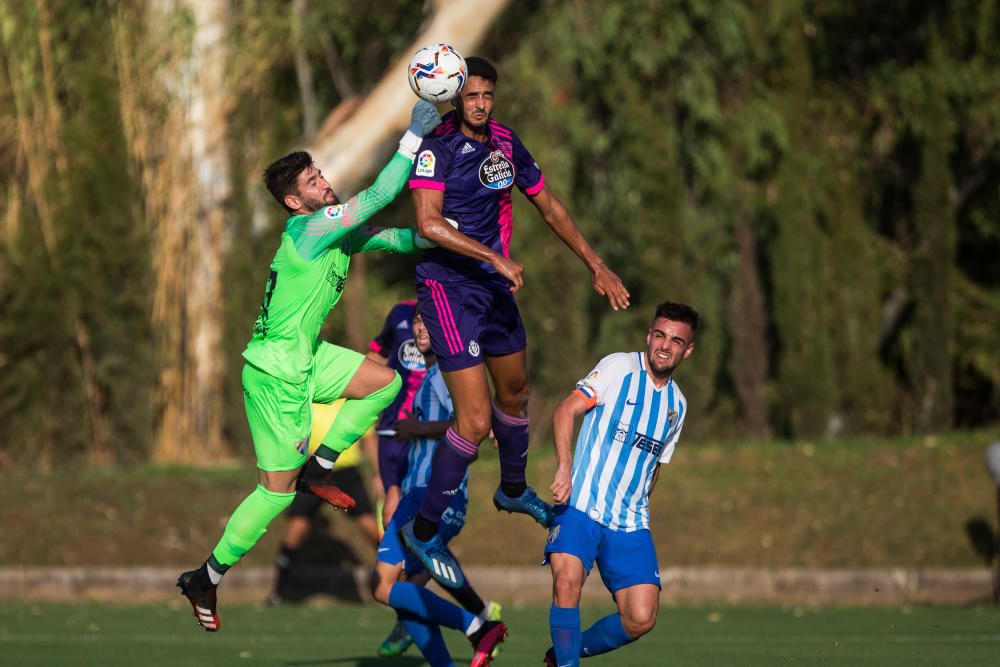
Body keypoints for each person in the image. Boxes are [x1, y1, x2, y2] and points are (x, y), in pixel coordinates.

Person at [176, 100, 442, 632]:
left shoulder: (333, 234)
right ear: (295, 202)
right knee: (274, 493)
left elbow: (395, 237)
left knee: (383, 381)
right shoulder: (310, 231)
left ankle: (319, 467)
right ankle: (205, 576)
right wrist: (412, 135)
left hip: (306, 359)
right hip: (276, 372)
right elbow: (381, 196)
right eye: (312, 179)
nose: (324, 181)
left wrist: (447, 234)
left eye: (320, 171)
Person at [401, 56, 631, 587]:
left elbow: (548, 206)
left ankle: (510, 490)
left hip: (493, 287)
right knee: (476, 423)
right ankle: (425, 527)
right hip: (448, 289)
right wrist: (494, 258)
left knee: (517, 392)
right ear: (454, 97)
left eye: (487, 96)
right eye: (471, 96)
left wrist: (596, 264)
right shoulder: (434, 147)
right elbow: (428, 223)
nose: (480, 105)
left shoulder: (506, 142)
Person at [543, 301, 699, 667]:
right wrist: (565, 467)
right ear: (649, 335)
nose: (664, 345)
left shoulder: (677, 405)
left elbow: (655, 465)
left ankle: (563, 653)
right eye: (659, 335)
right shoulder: (619, 368)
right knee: (566, 584)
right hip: (580, 506)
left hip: (629, 522)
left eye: (676, 341)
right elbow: (565, 410)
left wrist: (639, 503)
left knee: (641, 617)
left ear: (687, 350)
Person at [371, 312, 506, 667]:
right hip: (413, 493)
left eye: (427, 321)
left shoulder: (450, 374)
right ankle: (477, 626)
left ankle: (477, 625)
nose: (419, 328)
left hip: (436, 494)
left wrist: (416, 429)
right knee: (389, 589)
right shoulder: (429, 376)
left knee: (400, 587)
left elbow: (469, 426)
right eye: (416, 321)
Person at [268, 401, 381, 606]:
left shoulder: (353, 398)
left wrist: (378, 474)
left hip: (347, 471)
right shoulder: (308, 399)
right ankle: (279, 592)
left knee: (370, 527)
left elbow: (370, 438)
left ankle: (393, 581)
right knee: (296, 529)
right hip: (314, 471)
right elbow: (295, 438)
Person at [365, 300, 426, 529]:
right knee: (390, 506)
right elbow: (377, 356)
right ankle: (389, 561)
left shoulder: (453, 312)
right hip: (392, 429)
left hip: (428, 432)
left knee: (422, 508)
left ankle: (410, 563)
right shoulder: (400, 312)